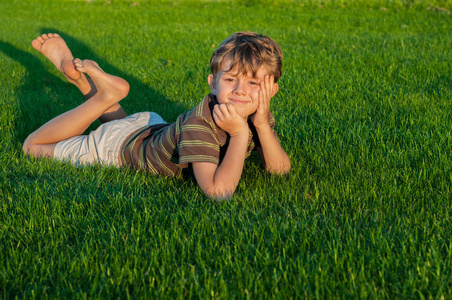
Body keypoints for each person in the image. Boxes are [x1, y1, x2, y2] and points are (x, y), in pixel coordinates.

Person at [23, 32, 291, 199]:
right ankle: (106, 96)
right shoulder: (201, 124)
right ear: (212, 82)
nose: (240, 91)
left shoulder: (257, 114)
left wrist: (259, 125)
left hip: (148, 127)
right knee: (33, 147)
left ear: (271, 89)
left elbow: (279, 170)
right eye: (231, 79)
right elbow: (217, 192)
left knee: (121, 127)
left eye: (254, 84)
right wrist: (240, 133)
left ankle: (83, 82)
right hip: (114, 148)